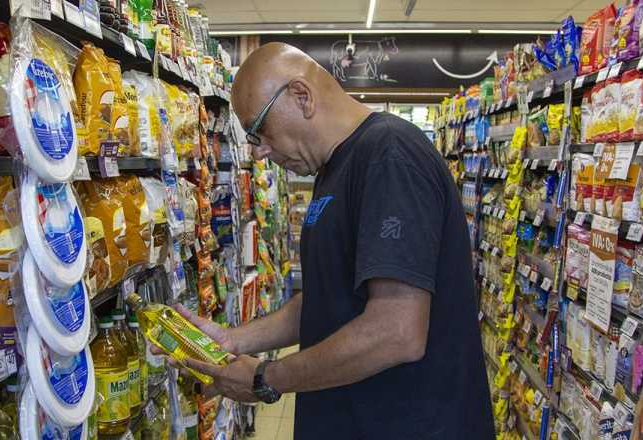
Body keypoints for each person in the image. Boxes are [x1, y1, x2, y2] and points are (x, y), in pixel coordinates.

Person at [172, 42, 495, 439]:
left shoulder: (390, 156)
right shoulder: (333, 168)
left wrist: (265, 377)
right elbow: (331, 296)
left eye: (259, 130)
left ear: (301, 96)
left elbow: (397, 331)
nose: (259, 153)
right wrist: (233, 338)